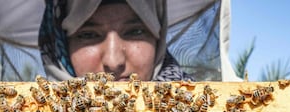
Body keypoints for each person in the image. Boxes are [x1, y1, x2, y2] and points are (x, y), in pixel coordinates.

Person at [38, 0, 193, 81]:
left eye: (135, 31)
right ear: (61, 47)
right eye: (88, 35)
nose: (113, 62)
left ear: (158, 38)